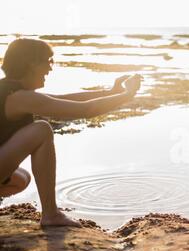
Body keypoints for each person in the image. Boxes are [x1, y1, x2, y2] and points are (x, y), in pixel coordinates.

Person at [0, 38, 142, 227]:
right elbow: (85, 110)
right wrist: (126, 95)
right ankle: (51, 214)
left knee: (20, 179)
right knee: (41, 129)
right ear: (31, 63)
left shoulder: (11, 90)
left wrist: (111, 92)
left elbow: (62, 99)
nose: (50, 69)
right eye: (48, 61)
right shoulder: (18, 97)